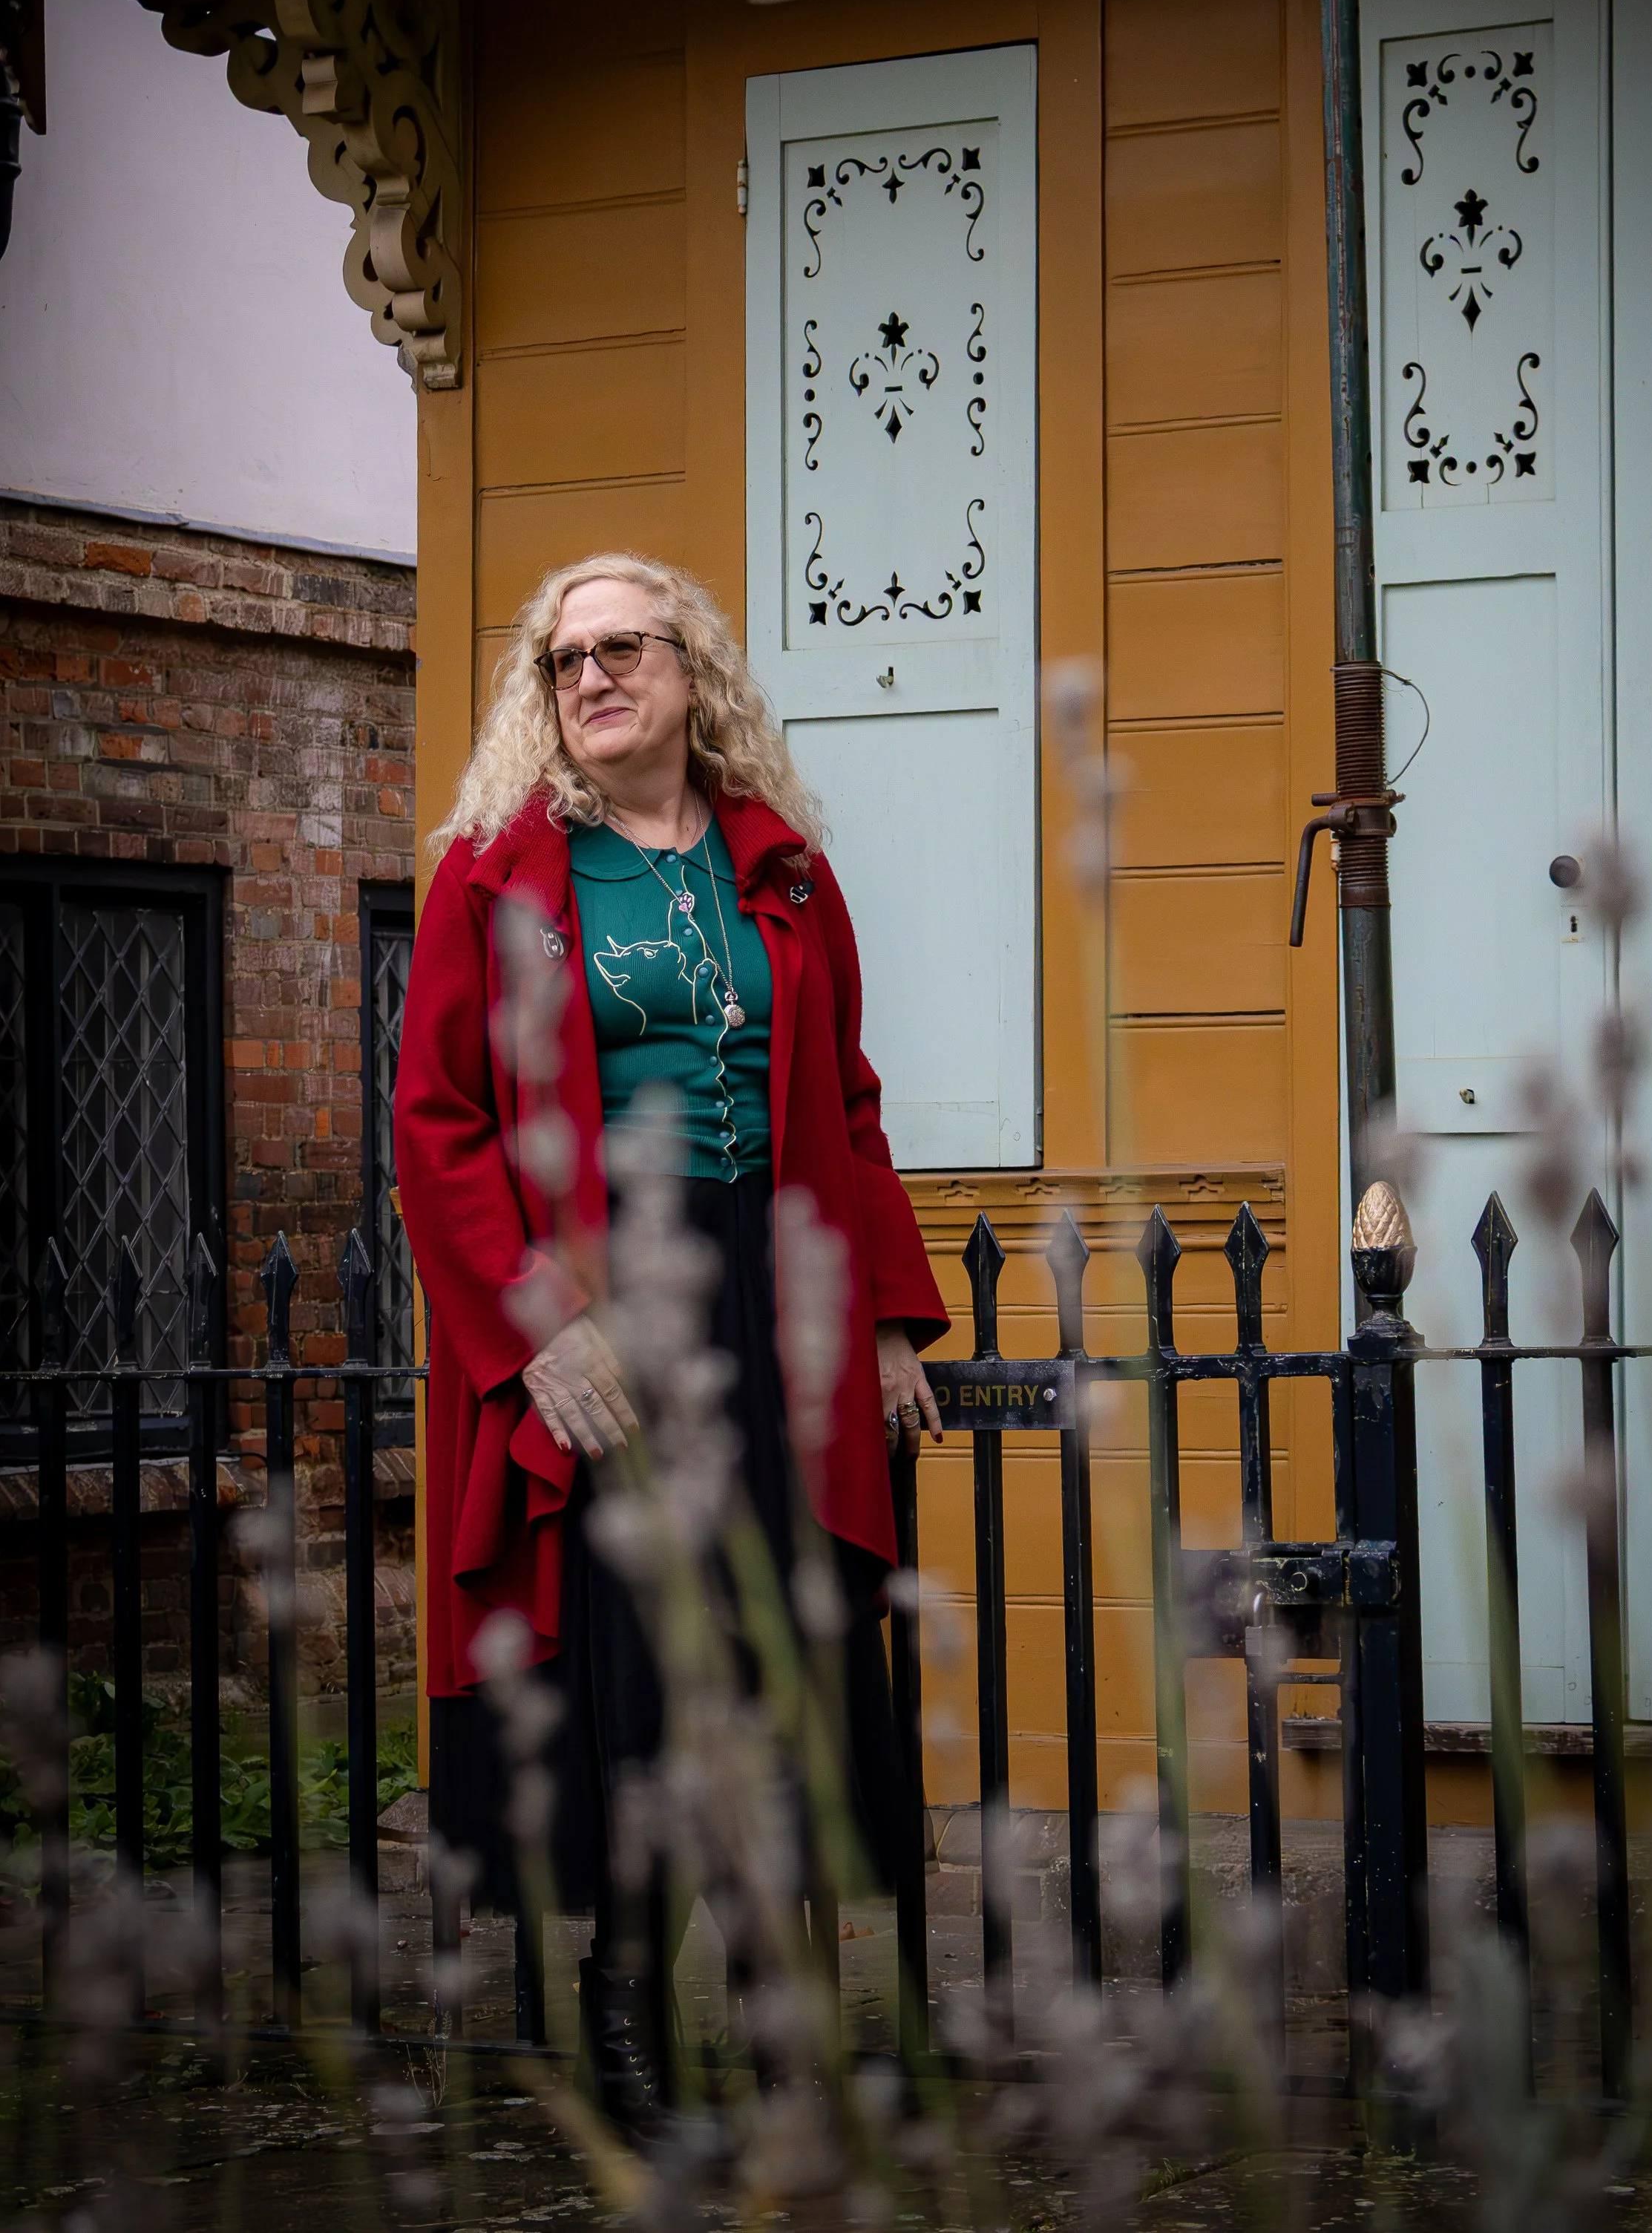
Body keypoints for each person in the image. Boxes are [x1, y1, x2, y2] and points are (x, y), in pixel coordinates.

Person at [393, 549, 948, 2124]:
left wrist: (892, 1317)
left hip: (777, 1312)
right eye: (563, 661)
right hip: (602, 1317)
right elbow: (435, 1128)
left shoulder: (781, 872)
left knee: (784, 1658)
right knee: (648, 1672)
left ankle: (788, 2020)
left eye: (623, 649)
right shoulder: (494, 877)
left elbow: (844, 1100)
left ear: (689, 670)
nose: (592, 680)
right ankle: (623, 1995)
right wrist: (535, 1333)